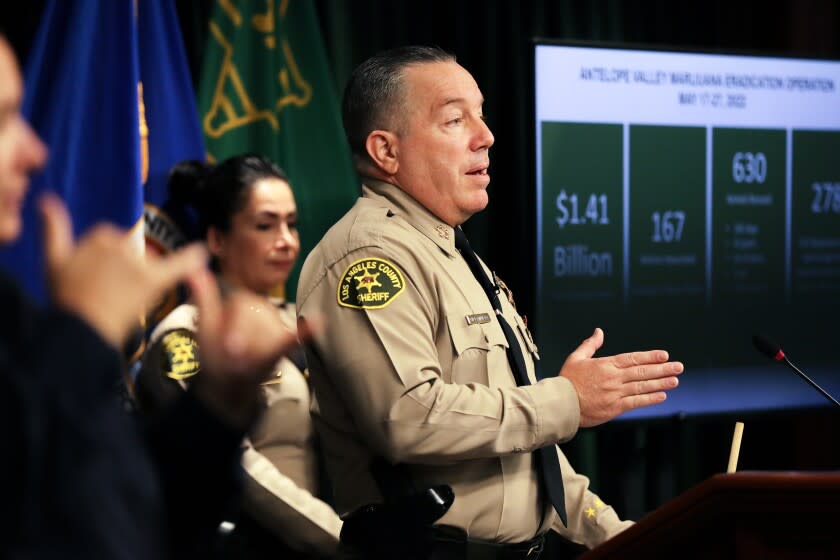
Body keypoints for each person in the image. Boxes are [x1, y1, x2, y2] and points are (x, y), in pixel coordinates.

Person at [296, 45, 684, 558]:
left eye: (481, 115)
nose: (486, 137)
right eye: (455, 119)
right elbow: (408, 416)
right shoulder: (369, 258)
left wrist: (621, 537)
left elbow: (527, 463)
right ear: (385, 151)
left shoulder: (452, 254)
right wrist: (566, 400)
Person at [0, 35, 315, 559]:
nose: (35, 152)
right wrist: (84, 332)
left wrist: (217, 408)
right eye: (4, 118)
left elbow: (126, 519)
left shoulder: (11, 314)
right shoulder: (75, 336)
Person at [136, 155, 342, 559]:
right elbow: (240, 468)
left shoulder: (293, 323)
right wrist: (341, 537)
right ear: (217, 240)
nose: (287, 240)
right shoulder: (186, 334)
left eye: (291, 223)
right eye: (265, 225)